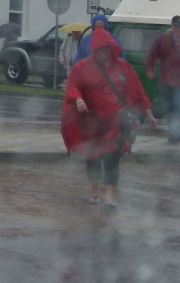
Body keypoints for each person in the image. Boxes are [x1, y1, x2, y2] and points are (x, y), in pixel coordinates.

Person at [61, 27, 155, 210]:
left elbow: (137, 90)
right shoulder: (82, 67)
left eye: (107, 48)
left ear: (112, 48)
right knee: (93, 158)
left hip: (115, 123)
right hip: (92, 124)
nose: (104, 52)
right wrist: (78, 99)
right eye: (100, 49)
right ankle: (95, 190)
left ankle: (110, 194)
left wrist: (149, 113)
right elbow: (73, 86)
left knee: (112, 158)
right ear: (94, 50)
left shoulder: (123, 67)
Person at [144, 14, 180, 145]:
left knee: (179, 107)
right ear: (171, 27)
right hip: (165, 81)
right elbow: (152, 54)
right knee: (168, 109)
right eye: (175, 26)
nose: (178, 29)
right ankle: (173, 132)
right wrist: (149, 68)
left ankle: (175, 135)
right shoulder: (162, 40)